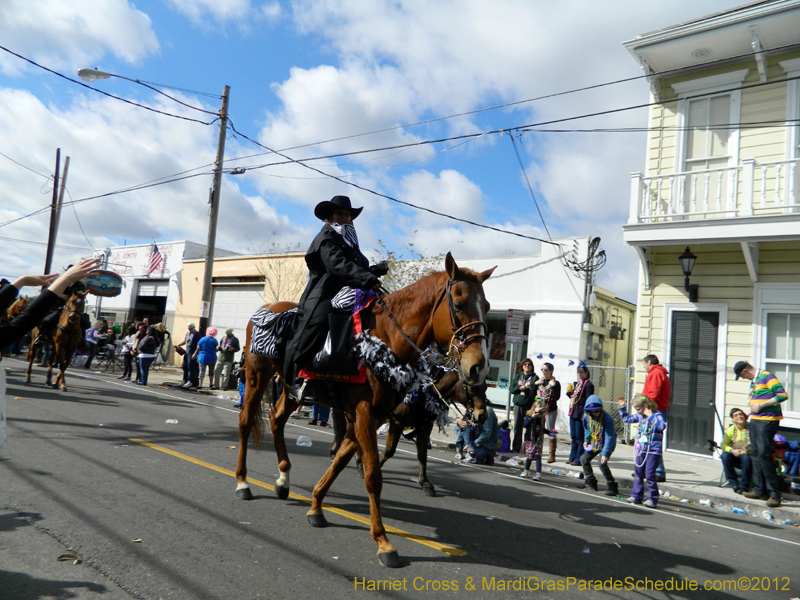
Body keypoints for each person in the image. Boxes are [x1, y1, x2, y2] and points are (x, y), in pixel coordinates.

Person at [283, 195, 386, 403]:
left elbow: (357, 268)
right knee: (317, 322)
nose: (346, 217)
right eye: (341, 213)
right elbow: (337, 265)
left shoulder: (349, 241)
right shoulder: (325, 238)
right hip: (323, 293)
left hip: (349, 293)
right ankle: (295, 378)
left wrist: (374, 271)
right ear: (329, 217)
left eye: (348, 214)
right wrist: (366, 278)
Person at [0, 258, 102, 447]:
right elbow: (27, 318)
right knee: (48, 320)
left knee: (86, 323)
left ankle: (83, 344)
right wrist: (62, 293)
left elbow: (81, 296)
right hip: (57, 306)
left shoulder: (79, 284)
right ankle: (40, 337)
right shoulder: (67, 283)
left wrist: (80, 295)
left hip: (73, 308)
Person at [735, 361, 788, 508]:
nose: (744, 378)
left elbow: (782, 395)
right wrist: (750, 412)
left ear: (746, 370)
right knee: (755, 453)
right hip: (755, 421)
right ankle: (759, 489)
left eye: (742, 375)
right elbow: (757, 402)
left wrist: (762, 405)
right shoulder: (756, 380)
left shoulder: (767, 377)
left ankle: (775, 494)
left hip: (767, 422)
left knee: (764, 454)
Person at [618, 394, 666, 508]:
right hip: (641, 449)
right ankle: (636, 495)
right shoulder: (640, 417)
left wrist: (650, 416)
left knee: (649, 474)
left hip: (653, 450)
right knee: (638, 473)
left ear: (646, 406)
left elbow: (662, 426)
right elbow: (627, 419)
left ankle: (652, 498)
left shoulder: (656, 416)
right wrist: (622, 408)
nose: (637, 412)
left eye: (638, 409)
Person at [640, 354, 671, 482]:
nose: (643, 366)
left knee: (653, 443)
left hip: (654, 411)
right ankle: (648, 470)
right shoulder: (658, 373)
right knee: (647, 442)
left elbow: (652, 394)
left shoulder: (656, 373)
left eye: (644, 363)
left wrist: (645, 408)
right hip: (656, 410)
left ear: (649, 362)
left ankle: (658, 472)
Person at [580, 395, 618, 495]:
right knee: (584, 459)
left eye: (597, 411)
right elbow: (586, 430)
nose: (594, 414)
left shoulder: (607, 419)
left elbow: (610, 437)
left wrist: (605, 453)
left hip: (607, 444)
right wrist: (586, 440)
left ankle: (612, 485)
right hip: (594, 442)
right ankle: (590, 482)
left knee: (602, 463)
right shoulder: (586, 417)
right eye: (591, 412)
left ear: (601, 409)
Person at [566, 362, 594, 466]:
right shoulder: (577, 384)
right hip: (573, 411)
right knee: (573, 436)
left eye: (581, 372)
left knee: (579, 437)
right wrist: (569, 392)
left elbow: (588, 400)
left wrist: (585, 414)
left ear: (586, 373)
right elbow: (574, 398)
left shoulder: (588, 385)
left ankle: (578, 459)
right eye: (578, 372)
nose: (579, 374)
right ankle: (572, 457)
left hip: (580, 413)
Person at [720, 407, 752, 494]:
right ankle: (733, 483)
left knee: (746, 459)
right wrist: (732, 451)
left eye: (741, 414)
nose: (739, 416)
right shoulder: (731, 429)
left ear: (745, 416)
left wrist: (746, 450)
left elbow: (755, 442)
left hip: (747, 453)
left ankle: (744, 485)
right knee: (725, 456)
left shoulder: (751, 428)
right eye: (736, 415)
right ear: (733, 419)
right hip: (735, 453)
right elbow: (723, 445)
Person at [509, 358, 537, 453]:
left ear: (532, 366)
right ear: (522, 366)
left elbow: (536, 390)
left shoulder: (534, 377)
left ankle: (528, 448)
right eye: (525, 364)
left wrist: (528, 388)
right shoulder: (518, 377)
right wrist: (520, 388)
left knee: (529, 428)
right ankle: (516, 448)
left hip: (529, 406)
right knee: (517, 427)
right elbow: (511, 389)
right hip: (518, 405)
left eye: (529, 364)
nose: (527, 366)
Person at [536, 362, 561, 463]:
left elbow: (556, 397)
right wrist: (535, 384)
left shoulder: (555, 383)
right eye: (542, 369)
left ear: (551, 371)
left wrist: (552, 387)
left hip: (550, 410)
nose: (543, 372)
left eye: (545, 370)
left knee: (550, 431)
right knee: (538, 430)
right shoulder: (540, 382)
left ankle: (552, 454)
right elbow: (534, 394)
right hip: (540, 409)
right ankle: (536, 452)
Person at [520, 402, 549, 480]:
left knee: (537, 456)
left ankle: (538, 474)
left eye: (541, 412)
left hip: (538, 440)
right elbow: (525, 425)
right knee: (529, 456)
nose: (539, 414)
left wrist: (549, 432)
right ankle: (526, 470)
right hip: (530, 440)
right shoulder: (529, 416)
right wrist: (533, 417)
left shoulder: (542, 419)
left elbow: (542, 429)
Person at [177, 323, 201, 388]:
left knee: (191, 367)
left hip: (192, 352)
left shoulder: (196, 334)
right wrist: (179, 345)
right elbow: (185, 341)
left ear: (193, 326)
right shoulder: (188, 333)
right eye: (188, 326)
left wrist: (195, 353)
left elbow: (199, 344)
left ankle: (190, 381)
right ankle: (185, 380)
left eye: (190, 326)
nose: (189, 327)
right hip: (186, 352)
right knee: (185, 366)